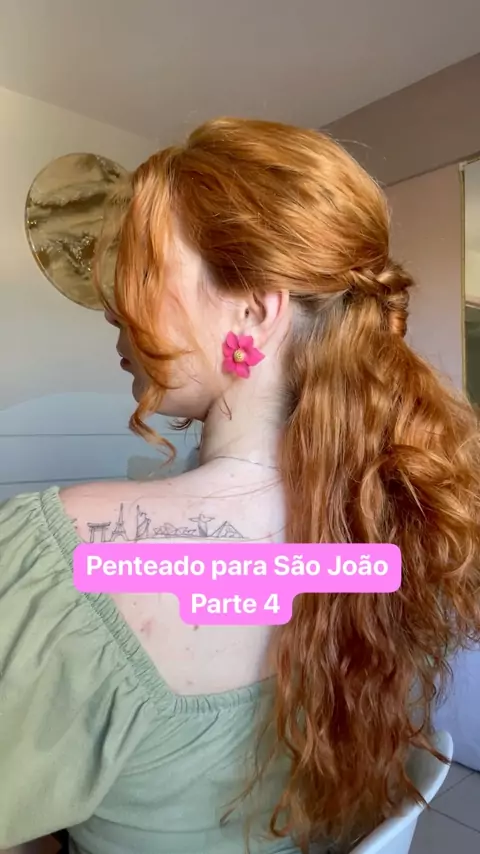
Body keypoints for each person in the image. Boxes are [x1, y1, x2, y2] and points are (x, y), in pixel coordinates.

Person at [1, 118, 480, 854]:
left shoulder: (66, 555)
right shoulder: (383, 522)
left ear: (254, 310)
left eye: (143, 272)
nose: (114, 308)